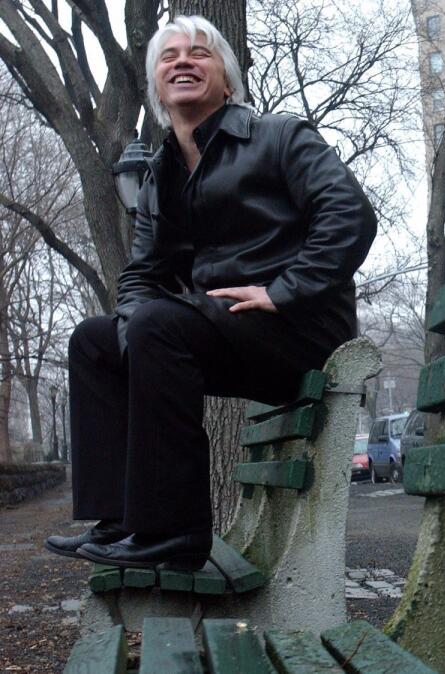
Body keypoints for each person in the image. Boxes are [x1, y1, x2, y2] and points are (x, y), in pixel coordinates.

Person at [42, 16, 377, 570]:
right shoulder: (158, 178)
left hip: (303, 332)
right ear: (156, 88)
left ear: (227, 83)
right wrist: (129, 331)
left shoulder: (277, 137)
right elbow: (141, 275)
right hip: (225, 331)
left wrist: (283, 290)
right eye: (169, 56)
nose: (183, 61)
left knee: (156, 324)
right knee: (96, 341)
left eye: (200, 53)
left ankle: (173, 532)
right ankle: (120, 520)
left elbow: (349, 215)